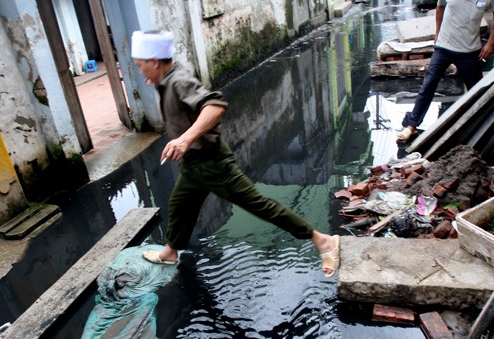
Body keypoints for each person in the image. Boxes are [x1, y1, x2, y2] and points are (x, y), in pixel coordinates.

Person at [130, 30, 340, 278]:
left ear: (155, 62)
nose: (139, 71)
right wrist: (156, 82)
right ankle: (170, 252)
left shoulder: (178, 81)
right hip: (194, 164)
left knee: (260, 206)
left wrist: (185, 138)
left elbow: (215, 106)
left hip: (212, 163)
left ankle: (322, 240)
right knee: (180, 205)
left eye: (140, 65)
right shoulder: (166, 80)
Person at [397, 0, 494, 142]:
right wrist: (437, 33)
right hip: (444, 47)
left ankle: (484, 127)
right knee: (428, 85)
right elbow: (440, 6)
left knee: (478, 92)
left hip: (470, 51)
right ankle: (412, 125)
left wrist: (490, 43)